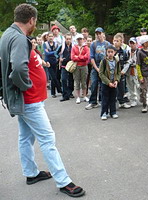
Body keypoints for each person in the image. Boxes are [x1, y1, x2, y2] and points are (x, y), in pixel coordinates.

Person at [0, 4, 85, 197]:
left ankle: (31, 173)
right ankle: (64, 182)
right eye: (35, 22)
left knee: (25, 137)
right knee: (47, 139)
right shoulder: (19, 38)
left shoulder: (8, 34)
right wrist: (27, 86)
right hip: (29, 100)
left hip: (26, 99)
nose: (35, 25)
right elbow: (19, 69)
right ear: (31, 20)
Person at [85, 27, 110, 110]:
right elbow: (91, 57)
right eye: (97, 34)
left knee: (104, 85)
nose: (98, 35)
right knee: (94, 84)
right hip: (96, 67)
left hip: (105, 67)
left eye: (100, 33)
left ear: (103, 34)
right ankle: (93, 102)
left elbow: (110, 57)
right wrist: (96, 68)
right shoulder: (93, 44)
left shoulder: (107, 44)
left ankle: (103, 100)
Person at [99, 45, 121, 120]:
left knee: (113, 98)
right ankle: (104, 113)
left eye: (112, 52)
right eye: (109, 52)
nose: (110, 53)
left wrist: (116, 80)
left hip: (114, 83)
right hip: (105, 84)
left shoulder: (117, 61)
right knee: (105, 98)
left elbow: (118, 72)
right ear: (106, 52)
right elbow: (101, 73)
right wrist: (108, 82)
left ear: (115, 52)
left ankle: (113, 112)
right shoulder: (104, 61)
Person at [113, 33, 131, 108]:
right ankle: (112, 104)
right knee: (113, 89)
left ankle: (122, 102)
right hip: (113, 74)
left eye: (117, 41)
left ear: (121, 42)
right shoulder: (110, 51)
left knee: (122, 88)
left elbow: (127, 62)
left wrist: (124, 70)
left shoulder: (123, 52)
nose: (115, 42)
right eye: (114, 40)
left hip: (121, 73)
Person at [71, 33, 90, 104]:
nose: (79, 40)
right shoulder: (74, 47)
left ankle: (84, 96)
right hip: (77, 66)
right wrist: (82, 57)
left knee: (84, 81)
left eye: (80, 39)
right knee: (77, 81)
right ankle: (78, 97)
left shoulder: (86, 47)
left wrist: (77, 57)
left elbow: (87, 57)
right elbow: (72, 57)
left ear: (83, 39)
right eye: (78, 39)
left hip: (84, 66)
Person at [43, 31, 62, 98]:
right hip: (48, 63)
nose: (50, 37)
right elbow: (47, 53)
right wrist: (54, 52)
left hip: (55, 62)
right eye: (49, 36)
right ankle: (60, 90)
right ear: (47, 37)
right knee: (53, 77)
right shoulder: (45, 44)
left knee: (55, 77)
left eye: (52, 36)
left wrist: (53, 52)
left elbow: (58, 53)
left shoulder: (56, 44)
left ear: (53, 37)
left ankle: (53, 93)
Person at [122, 37, 140, 107]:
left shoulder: (139, 51)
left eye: (133, 43)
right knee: (130, 86)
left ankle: (145, 99)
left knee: (139, 85)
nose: (132, 45)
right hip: (128, 70)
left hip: (136, 69)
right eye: (131, 43)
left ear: (136, 44)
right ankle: (133, 100)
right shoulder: (126, 52)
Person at [59, 33, 74, 101]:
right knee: (64, 79)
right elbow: (56, 53)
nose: (68, 40)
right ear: (65, 39)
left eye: (69, 39)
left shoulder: (73, 46)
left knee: (71, 80)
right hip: (64, 65)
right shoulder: (62, 46)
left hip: (71, 65)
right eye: (67, 39)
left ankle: (70, 92)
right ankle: (65, 95)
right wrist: (59, 59)